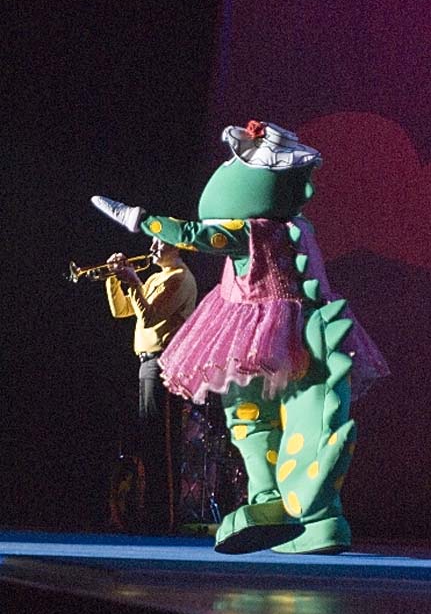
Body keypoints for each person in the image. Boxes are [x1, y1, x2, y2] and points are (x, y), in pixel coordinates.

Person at [91, 119, 389, 554]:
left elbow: (194, 235)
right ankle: (316, 516)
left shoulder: (252, 231)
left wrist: (141, 220)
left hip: (265, 331)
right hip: (302, 327)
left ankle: (273, 501)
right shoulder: (300, 228)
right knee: (289, 414)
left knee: (252, 416)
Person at [105, 237, 197, 534]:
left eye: (160, 243)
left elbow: (149, 318)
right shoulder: (157, 277)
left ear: (177, 247)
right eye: (153, 243)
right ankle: (155, 515)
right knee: (150, 443)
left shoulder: (179, 278)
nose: (152, 248)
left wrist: (133, 281)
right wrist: (114, 278)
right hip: (148, 363)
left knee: (162, 445)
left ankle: (165, 519)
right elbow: (122, 311)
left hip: (164, 363)